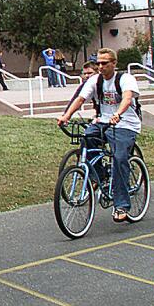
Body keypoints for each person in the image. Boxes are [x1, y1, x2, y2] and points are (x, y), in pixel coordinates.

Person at [57, 48, 141, 223]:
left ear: (114, 63)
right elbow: (80, 99)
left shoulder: (125, 79)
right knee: (87, 139)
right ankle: (99, 176)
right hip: (103, 122)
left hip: (125, 124)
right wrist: (66, 116)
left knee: (119, 158)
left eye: (104, 63)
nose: (100, 67)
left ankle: (121, 205)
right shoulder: (95, 81)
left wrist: (118, 114)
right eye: (98, 63)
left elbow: (127, 98)